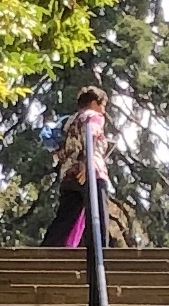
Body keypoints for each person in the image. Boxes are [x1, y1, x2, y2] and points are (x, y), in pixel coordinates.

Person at [41, 88, 117, 251]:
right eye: (103, 105)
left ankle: (47, 250)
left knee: (65, 218)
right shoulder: (94, 116)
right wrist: (86, 162)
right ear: (94, 103)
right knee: (98, 214)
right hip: (92, 171)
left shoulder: (69, 121)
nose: (104, 111)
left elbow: (59, 147)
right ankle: (99, 253)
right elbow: (91, 135)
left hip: (69, 174)